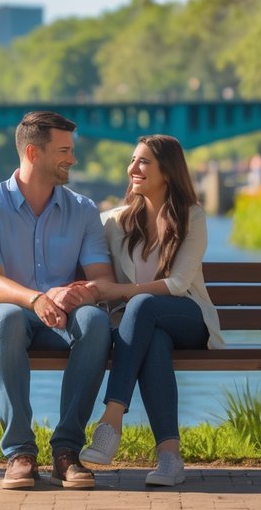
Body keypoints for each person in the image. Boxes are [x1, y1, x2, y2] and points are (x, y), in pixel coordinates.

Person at [0, 110, 115, 491]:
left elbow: (102, 280)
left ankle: (66, 452)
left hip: (59, 320)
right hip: (0, 321)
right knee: (8, 318)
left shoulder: (82, 210)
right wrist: (37, 298)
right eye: (64, 150)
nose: (72, 159)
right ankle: (19, 452)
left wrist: (78, 292)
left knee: (96, 322)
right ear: (33, 153)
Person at [78, 135, 225, 487]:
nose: (133, 168)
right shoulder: (113, 223)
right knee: (154, 339)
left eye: (143, 161)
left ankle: (111, 419)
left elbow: (177, 284)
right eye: (132, 160)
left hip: (188, 318)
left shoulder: (192, 218)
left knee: (143, 304)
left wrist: (120, 291)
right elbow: (85, 260)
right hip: (142, 327)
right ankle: (170, 458)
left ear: (168, 172)